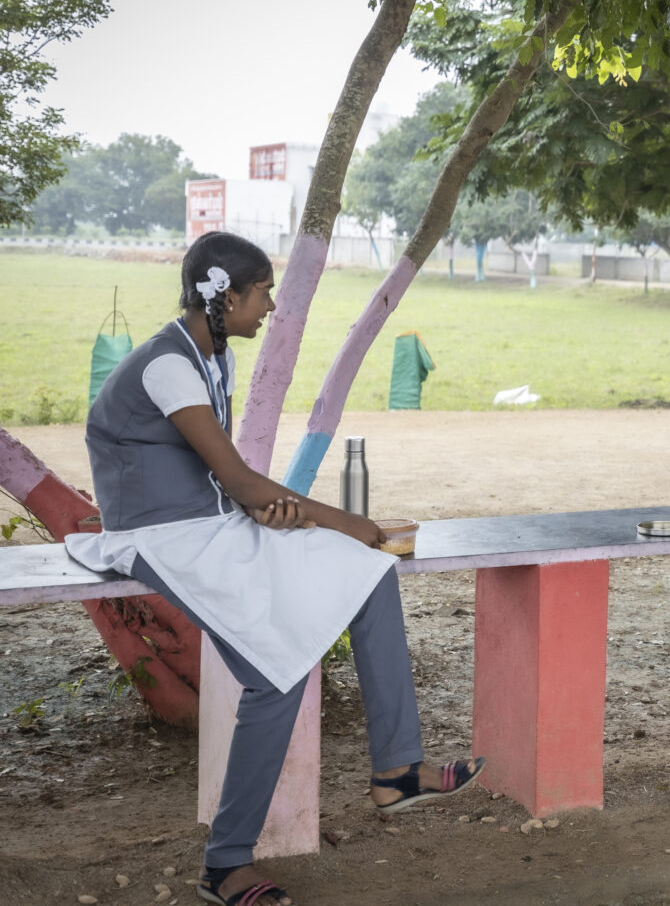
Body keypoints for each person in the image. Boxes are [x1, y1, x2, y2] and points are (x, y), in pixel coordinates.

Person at [68, 232, 482, 906]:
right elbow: (236, 477)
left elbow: (228, 486)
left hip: (209, 529)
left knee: (367, 573)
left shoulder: (210, 355)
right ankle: (224, 866)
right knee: (279, 671)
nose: (269, 307)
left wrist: (284, 516)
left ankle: (398, 768)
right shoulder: (168, 364)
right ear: (223, 295)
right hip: (159, 539)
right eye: (261, 292)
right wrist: (350, 520)